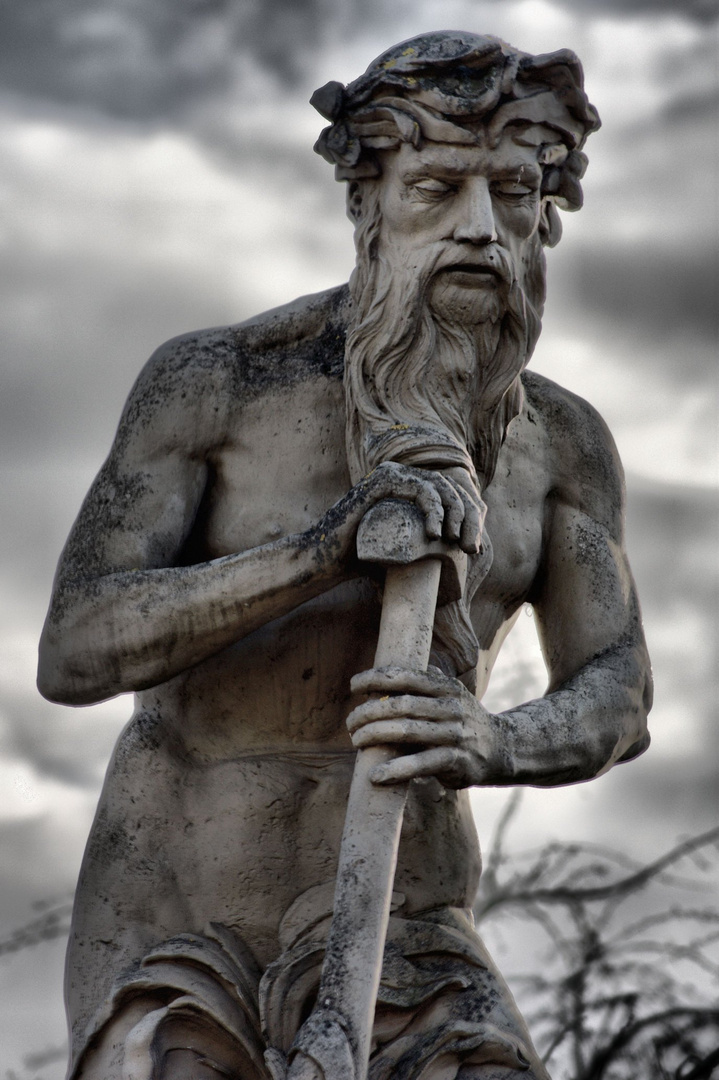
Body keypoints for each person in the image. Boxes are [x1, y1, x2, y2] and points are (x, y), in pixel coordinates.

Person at [38, 32, 652, 1080]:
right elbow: (77, 649)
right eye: (433, 188)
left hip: (412, 940)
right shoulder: (221, 384)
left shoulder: (562, 446)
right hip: (187, 928)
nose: (476, 231)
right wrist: (321, 553)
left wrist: (493, 738)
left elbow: (617, 691)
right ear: (367, 204)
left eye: (509, 193)